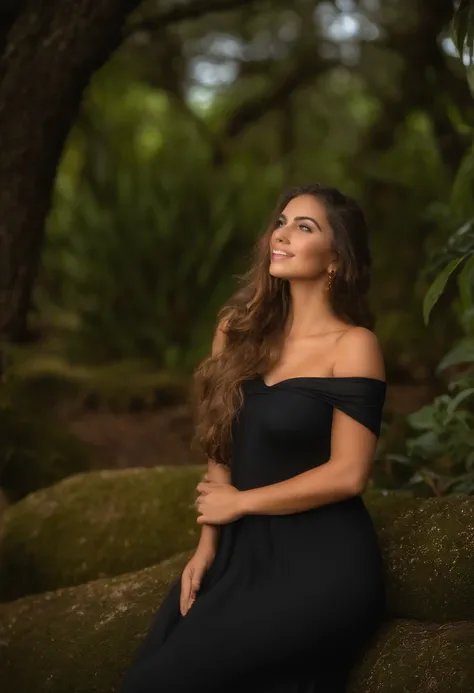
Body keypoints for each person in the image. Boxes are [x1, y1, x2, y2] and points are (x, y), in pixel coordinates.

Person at [119, 182, 388, 693]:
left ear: (336, 258)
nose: (280, 235)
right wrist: (206, 545)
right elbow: (220, 442)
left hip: (323, 564)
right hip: (241, 553)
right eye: (281, 222)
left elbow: (349, 474)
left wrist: (240, 503)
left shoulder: (353, 347)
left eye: (304, 227)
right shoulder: (236, 331)